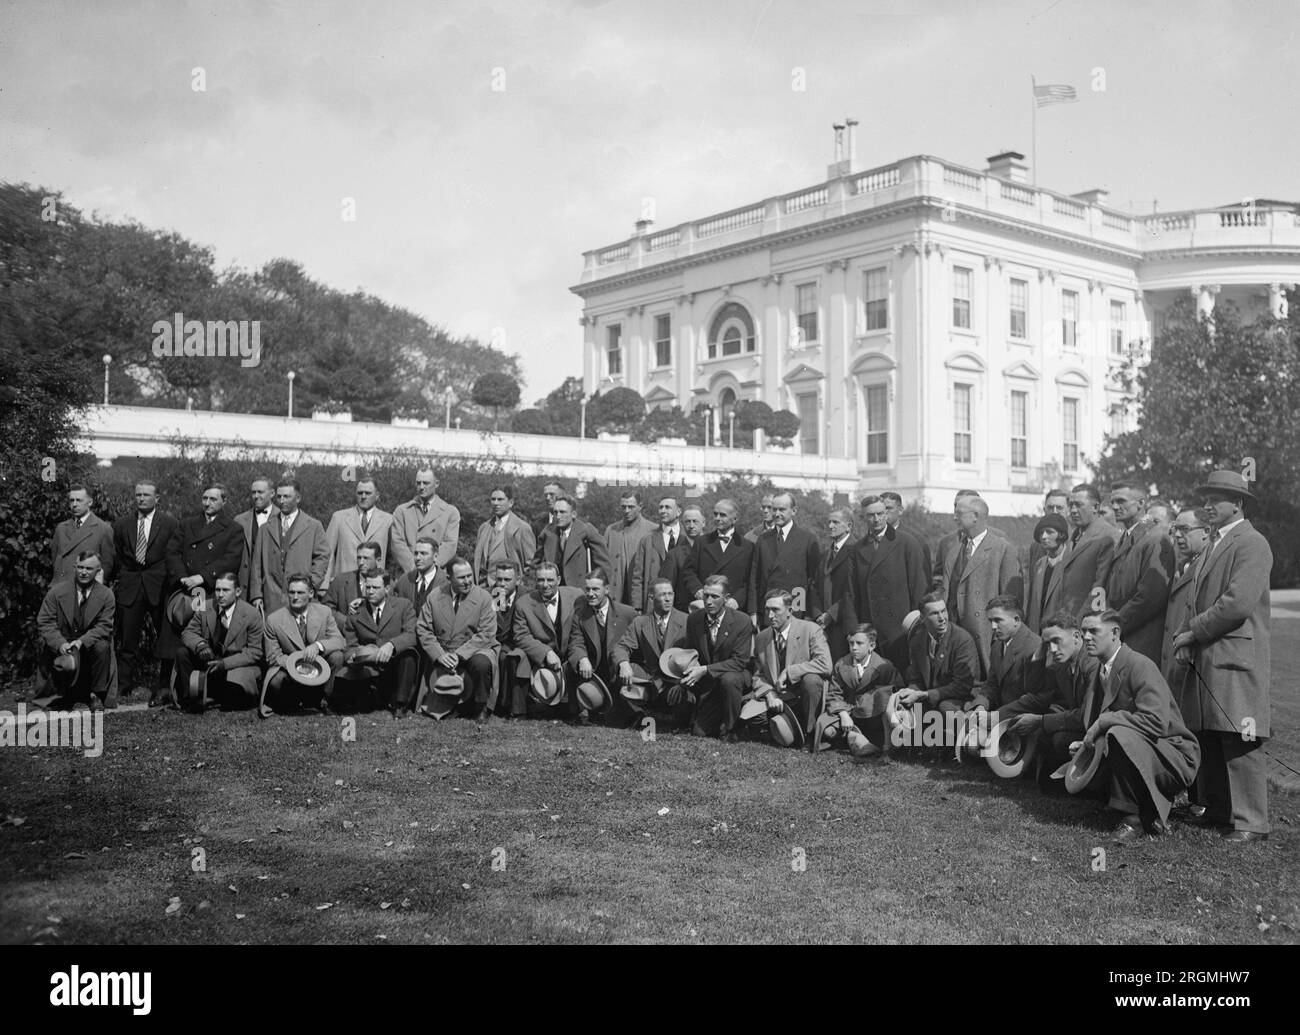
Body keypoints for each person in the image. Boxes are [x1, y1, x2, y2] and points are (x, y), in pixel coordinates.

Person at [1171, 470, 1273, 842]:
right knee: (1211, 732)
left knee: (1239, 737)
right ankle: (1219, 811)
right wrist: (1188, 636)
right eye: (1206, 499)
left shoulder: (1252, 543)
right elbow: (1195, 598)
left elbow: (1236, 604)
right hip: (1210, 654)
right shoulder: (1215, 543)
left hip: (1234, 656)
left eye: (1217, 499)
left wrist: (1192, 631)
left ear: (1239, 504)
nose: (1208, 506)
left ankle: (1250, 822)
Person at [1078, 611, 1200, 843]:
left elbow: (1155, 722)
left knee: (1116, 732)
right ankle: (1145, 811)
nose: (1086, 637)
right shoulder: (1102, 669)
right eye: (1083, 631)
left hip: (1174, 755)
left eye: (1093, 631)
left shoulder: (1139, 665)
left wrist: (1106, 721)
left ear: (1115, 633)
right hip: (1145, 749)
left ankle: (1132, 820)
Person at [1000, 610, 1099, 778]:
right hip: (1075, 720)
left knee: (1058, 738)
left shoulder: (1092, 664)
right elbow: (1034, 688)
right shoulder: (1063, 664)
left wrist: (1040, 721)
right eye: (1048, 644)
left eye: (1056, 641)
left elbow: (1085, 716)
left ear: (1076, 636)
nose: (1052, 649)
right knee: (1033, 707)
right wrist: (1041, 647)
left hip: (1095, 729)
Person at [932, 493, 1022, 678]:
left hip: (986, 635)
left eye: (959, 513)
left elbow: (1011, 603)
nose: (954, 517)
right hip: (956, 632)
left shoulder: (1003, 549)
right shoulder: (955, 548)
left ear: (976, 516)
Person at [111, 480, 181, 707]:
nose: (141, 498)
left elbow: (173, 553)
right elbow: (119, 555)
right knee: (127, 638)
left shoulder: (169, 523)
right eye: (138, 494)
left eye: (146, 495)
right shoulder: (122, 525)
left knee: (165, 637)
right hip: (131, 585)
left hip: (159, 586)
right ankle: (123, 683)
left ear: (157, 498)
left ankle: (163, 684)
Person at [848, 496, 927, 671]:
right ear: (863, 517)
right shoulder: (857, 549)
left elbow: (919, 588)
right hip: (870, 628)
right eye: (870, 515)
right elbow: (851, 594)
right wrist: (856, 628)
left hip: (899, 629)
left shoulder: (907, 543)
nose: (876, 519)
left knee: (899, 679)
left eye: (880, 514)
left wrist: (916, 627)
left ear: (886, 514)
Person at [416, 557, 497, 722]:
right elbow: (423, 628)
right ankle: (449, 704)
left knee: (481, 663)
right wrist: (439, 654)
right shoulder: (435, 596)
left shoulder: (484, 597)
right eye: (461, 577)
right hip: (444, 650)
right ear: (449, 578)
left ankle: (481, 706)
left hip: (475, 648)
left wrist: (459, 655)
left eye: (469, 576)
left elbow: (487, 632)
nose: (467, 581)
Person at [1104, 481, 1175, 665]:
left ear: (1141, 504)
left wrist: (1115, 624)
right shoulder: (1128, 536)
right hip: (1124, 636)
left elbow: (1151, 596)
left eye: (1121, 501)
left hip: (1142, 640)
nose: (1114, 506)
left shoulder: (1156, 537)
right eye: (1112, 502)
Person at [35, 551, 116, 711]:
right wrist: (60, 644)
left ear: (98, 571)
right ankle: (58, 693)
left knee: (102, 646)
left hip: (88, 643)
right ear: (74, 567)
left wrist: (82, 641)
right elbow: (45, 622)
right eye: (80, 567)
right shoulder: (57, 592)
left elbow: (104, 626)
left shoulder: (106, 595)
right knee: (47, 645)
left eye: (89, 568)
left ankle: (96, 695)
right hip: (62, 642)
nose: (83, 572)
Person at [748, 590, 832, 742]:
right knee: (752, 718)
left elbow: (825, 664)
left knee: (811, 680)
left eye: (776, 610)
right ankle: (789, 726)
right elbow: (758, 674)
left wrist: (789, 671)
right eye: (767, 610)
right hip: (779, 696)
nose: (770, 615)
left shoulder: (810, 629)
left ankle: (810, 732)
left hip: (804, 695)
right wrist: (770, 695)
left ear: (790, 611)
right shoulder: (762, 637)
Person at [678, 575, 754, 741]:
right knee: (699, 732)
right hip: (709, 683)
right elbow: (690, 652)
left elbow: (740, 662)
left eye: (714, 597)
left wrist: (705, 670)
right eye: (706, 596)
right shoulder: (694, 619)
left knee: (729, 679)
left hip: (735, 676)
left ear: (726, 599)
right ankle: (716, 716)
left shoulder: (742, 621)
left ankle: (732, 727)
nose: (708, 601)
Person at [261, 573, 347, 716]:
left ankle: (325, 699)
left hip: (318, 670)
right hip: (290, 671)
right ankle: (293, 702)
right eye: (291, 592)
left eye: (300, 592)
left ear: (311, 593)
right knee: (276, 680)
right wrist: (297, 664)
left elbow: (339, 641)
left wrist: (317, 646)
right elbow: (272, 657)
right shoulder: (273, 620)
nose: (295, 597)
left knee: (337, 656)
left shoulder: (324, 612)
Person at [176, 572, 264, 710]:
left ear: (238, 592)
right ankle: (191, 699)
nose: (220, 595)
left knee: (235, 697)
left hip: (234, 665)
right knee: (183, 653)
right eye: (218, 590)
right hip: (209, 660)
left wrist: (225, 664)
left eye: (226, 590)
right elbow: (188, 632)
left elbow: (255, 652)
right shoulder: (205, 606)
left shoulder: (252, 615)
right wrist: (200, 645)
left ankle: (216, 695)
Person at [338, 569, 419, 717]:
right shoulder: (356, 613)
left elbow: (412, 634)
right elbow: (349, 648)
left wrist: (391, 645)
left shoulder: (403, 606)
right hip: (369, 669)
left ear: (387, 589)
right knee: (361, 706)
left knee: (409, 654)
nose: (370, 591)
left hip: (395, 665)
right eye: (367, 587)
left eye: (375, 588)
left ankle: (400, 705)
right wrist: (359, 656)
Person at [897, 593, 980, 735]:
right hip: (931, 695)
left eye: (944, 611)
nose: (942, 618)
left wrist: (923, 695)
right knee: (902, 704)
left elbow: (962, 686)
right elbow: (916, 678)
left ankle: (963, 744)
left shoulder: (962, 640)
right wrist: (911, 691)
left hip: (961, 697)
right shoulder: (918, 641)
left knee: (945, 707)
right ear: (922, 618)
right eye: (934, 614)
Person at [511, 561, 584, 717]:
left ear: (558, 579)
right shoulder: (523, 603)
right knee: (518, 656)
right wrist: (545, 653)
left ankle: (578, 708)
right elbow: (521, 636)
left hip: (570, 649)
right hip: (541, 658)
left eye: (550, 580)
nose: (545, 585)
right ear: (535, 581)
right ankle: (521, 711)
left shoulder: (577, 595)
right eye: (540, 580)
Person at [612, 577, 688, 724]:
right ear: (651, 598)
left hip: (676, 681)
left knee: (684, 706)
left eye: (670, 594)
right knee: (619, 673)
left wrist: (682, 684)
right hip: (651, 677)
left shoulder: (687, 621)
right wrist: (623, 663)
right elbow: (621, 646)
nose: (667, 599)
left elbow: (695, 657)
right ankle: (639, 715)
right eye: (662, 595)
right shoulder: (640, 622)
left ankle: (665, 715)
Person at [249, 479, 329, 616]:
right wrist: (256, 595)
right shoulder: (265, 528)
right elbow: (256, 565)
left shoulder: (313, 526)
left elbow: (323, 557)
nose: (281, 500)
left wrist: (310, 585)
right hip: (271, 599)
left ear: (298, 498)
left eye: (286, 496)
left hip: (302, 599)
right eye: (279, 496)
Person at [821, 624, 902, 757]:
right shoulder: (841, 664)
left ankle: (878, 743)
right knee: (827, 731)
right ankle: (854, 737)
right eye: (851, 643)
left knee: (883, 694)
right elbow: (834, 693)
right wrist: (843, 714)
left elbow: (896, 689)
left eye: (859, 643)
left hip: (873, 713)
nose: (854, 648)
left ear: (872, 646)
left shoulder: (884, 666)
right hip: (847, 709)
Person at [571, 568, 638, 724]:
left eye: (595, 589)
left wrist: (625, 663)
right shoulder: (580, 614)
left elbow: (636, 644)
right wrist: (582, 658)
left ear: (607, 590)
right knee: (570, 665)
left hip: (618, 671)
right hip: (594, 671)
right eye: (587, 589)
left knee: (616, 720)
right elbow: (576, 642)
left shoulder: (627, 613)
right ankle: (576, 711)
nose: (590, 594)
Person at [167, 482, 244, 608]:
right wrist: (182, 576)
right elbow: (172, 552)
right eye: (205, 498)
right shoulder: (187, 524)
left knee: (204, 624)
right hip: (183, 589)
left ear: (224, 501)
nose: (207, 503)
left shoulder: (233, 529)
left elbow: (231, 560)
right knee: (181, 624)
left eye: (213, 499)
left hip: (210, 589)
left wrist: (203, 576)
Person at [749, 492, 820, 619]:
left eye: (782, 509)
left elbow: (813, 581)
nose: (776, 514)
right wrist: (753, 612)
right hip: (767, 610)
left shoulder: (808, 540)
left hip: (796, 610)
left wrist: (809, 614)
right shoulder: (763, 539)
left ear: (794, 511)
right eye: (774, 509)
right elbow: (755, 578)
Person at [1161, 509, 1210, 689]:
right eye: (1176, 530)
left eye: (1185, 529)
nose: (1178, 535)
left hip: (1193, 662)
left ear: (1206, 531)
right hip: (1175, 661)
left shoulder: (1209, 564)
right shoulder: (1182, 564)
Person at [969, 595, 1044, 712]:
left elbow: (1034, 699)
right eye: (991, 621)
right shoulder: (997, 645)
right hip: (1000, 713)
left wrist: (996, 716)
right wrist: (981, 706)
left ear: (1016, 620)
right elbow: (991, 684)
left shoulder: (1035, 648)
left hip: (1023, 718)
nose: (993, 627)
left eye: (998, 620)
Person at [682, 498, 754, 613]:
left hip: (732, 609)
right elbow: (688, 572)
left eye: (723, 515)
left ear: (735, 519)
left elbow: (750, 581)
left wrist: (737, 599)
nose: (717, 518)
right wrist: (698, 590)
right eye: (715, 514)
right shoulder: (702, 542)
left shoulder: (747, 547)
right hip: (706, 604)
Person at [323, 478, 395, 590]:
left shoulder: (388, 520)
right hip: (344, 585)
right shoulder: (339, 518)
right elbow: (327, 553)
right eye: (360, 493)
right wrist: (324, 585)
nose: (363, 496)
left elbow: (393, 558)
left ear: (377, 495)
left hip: (375, 586)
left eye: (368, 493)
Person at [1060, 483, 1120, 617]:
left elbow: (1101, 586)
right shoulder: (1073, 536)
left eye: (1079, 505)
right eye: (1070, 505)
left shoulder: (1109, 536)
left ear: (1096, 507)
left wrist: (1082, 621)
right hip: (1067, 620)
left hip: (1086, 622)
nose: (1073, 510)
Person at [533, 495, 612, 589]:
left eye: (562, 512)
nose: (558, 516)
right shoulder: (548, 532)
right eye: (555, 512)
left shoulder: (586, 531)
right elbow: (536, 562)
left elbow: (604, 566)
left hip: (579, 589)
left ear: (573, 514)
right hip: (553, 590)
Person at [390, 468, 460, 573]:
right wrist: (414, 568)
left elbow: (450, 545)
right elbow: (397, 544)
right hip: (408, 574)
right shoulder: (402, 511)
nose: (421, 487)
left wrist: (431, 569)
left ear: (436, 484)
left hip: (437, 575)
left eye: (426, 483)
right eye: (418, 483)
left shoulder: (450, 512)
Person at [49, 485, 115, 586]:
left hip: (84, 591)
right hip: (59, 589)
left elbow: (107, 566)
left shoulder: (103, 529)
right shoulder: (61, 528)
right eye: (72, 500)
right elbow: (55, 560)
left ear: (90, 502)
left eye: (79, 500)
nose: (74, 505)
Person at [814, 508, 857, 663]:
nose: (830, 526)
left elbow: (852, 590)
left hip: (842, 620)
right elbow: (814, 585)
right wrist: (818, 612)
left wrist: (831, 614)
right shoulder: (825, 554)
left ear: (849, 526)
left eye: (835, 522)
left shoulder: (856, 552)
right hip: (822, 622)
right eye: (829, 522)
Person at [628, 496, 684, 613]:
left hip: (681, 603)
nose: (663, 511)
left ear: (678, 512)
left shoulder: (689, 539)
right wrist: (637, 606)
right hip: (654, 603)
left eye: (667, 507)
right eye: (661, 507)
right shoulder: (647, 540)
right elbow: (637, 577)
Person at [472, 486, 537, 587]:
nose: (495, 503)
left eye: (500, 499)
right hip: (483, 587)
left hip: (509, 588)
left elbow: (531, 565)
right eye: (493, 499)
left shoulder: (522, 528)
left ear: (511, 502)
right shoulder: (484, 527)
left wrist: (523, 589)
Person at [602, 490, 657, 606]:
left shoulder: (653, 530)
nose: (626, 511)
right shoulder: (611, 531)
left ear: (640, 506)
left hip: (641, 597)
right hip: (615, 596)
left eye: (631, 507)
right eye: (623, 507)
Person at [488, 562, 527, 718]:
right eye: (499, 579)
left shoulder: (527, 595)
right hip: (494, 642)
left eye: (507, 579)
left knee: (511, 657)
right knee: (499, 656)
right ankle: (495, 705)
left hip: (519, 641)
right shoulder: (492, 595)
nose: (502, 584)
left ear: (518, 580)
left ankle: (515, 708)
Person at [1024, 514, 1069, 633]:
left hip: (1060, 633)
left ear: (1061, 535)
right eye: (1041, 533)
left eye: (1049, 532)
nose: (1044, 537)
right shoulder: (1039, 564)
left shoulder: (1071, 563)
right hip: (1037, 633)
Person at [323, 541, 383, 630]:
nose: (361, 562)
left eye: (366, 558)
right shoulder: (341, 581)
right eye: (359, 558)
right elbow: (326, 608)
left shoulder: (387, 584)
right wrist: (346, 620)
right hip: (347, 637)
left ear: (378, 561)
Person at [233, 477, 274, 598]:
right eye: (253, 492)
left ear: (272, 493)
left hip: (271, 588)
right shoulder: (239, 520)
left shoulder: (281, 518)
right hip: (245, 586)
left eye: (260, 492)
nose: (256, 496)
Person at [658, 506, 706, 608]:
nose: (691, 526)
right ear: (682, 524)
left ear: (703, 523)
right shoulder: (674, 555)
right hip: (685, 613)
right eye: (687, 522)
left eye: (695, 521)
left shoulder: (715, 549)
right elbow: (667, 589)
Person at [880, 490, 931, 577]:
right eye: (881, 509)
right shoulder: (871, 539)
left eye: (888, 508)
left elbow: (924, 578)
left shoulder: (915, 539)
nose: (884, 512)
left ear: (900, 510)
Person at [392, 536, 447, 612]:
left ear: (435, 557)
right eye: (416, 553)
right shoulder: (404, 580)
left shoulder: (446, 583)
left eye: (423, 553)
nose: (418, 558)